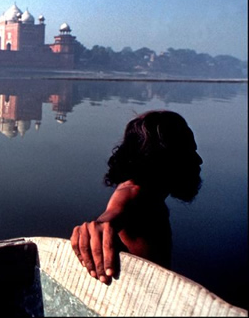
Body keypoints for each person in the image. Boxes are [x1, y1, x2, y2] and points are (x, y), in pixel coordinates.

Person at [70, 110, 203, 284]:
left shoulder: (152, 193)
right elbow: (115, 213)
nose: (199, 160)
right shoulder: (135, 195)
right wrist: (100, 227)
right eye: (190, 151)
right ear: (166, 156)